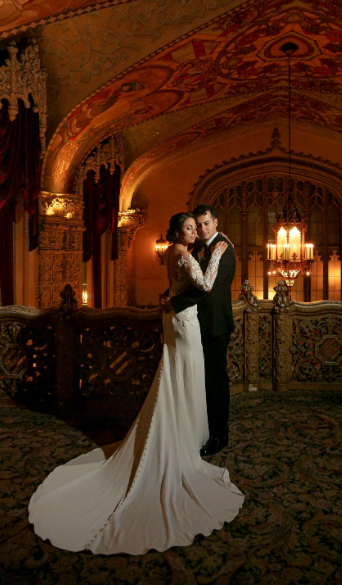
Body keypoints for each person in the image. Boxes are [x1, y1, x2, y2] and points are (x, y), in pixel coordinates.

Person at [28, 213, 243, 555]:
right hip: (184, 323)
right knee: (183, 375)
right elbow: (202, 285)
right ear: (179, 232)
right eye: (190, 227)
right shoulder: (188, 251)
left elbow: (191, 287)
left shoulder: (189, 250)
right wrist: (209, 260)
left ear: (214, 223)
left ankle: (192, 432)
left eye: (199, 226)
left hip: (189, 321)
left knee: (186, 376)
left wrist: (171, 295)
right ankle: (182, 435)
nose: (196, 231)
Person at [160, 204, 235, 457]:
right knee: (195, 378)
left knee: (215, 380)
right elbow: (186, 279)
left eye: (205, 224)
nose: (201, 229)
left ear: (215, 222)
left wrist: (174, 302)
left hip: (215, 324)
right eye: (196, 225)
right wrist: (168, 295)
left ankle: (218, 435)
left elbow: (207, 288)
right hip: (194, 324)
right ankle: (195, 429)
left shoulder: (223, 250)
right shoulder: (198, 247)